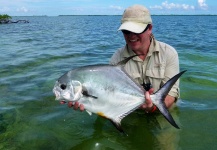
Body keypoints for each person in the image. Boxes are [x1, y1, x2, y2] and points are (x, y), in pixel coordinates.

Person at [68, 4, 180, 113]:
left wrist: (153, 108)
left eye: (137, 30)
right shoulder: (116, 59)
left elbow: (171, 95)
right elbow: (109, 98)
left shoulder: (168, 53)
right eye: (126, 31)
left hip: (163, 114)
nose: (131, 36)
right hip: (129, 114)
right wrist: (87, 103)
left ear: (149, 28)